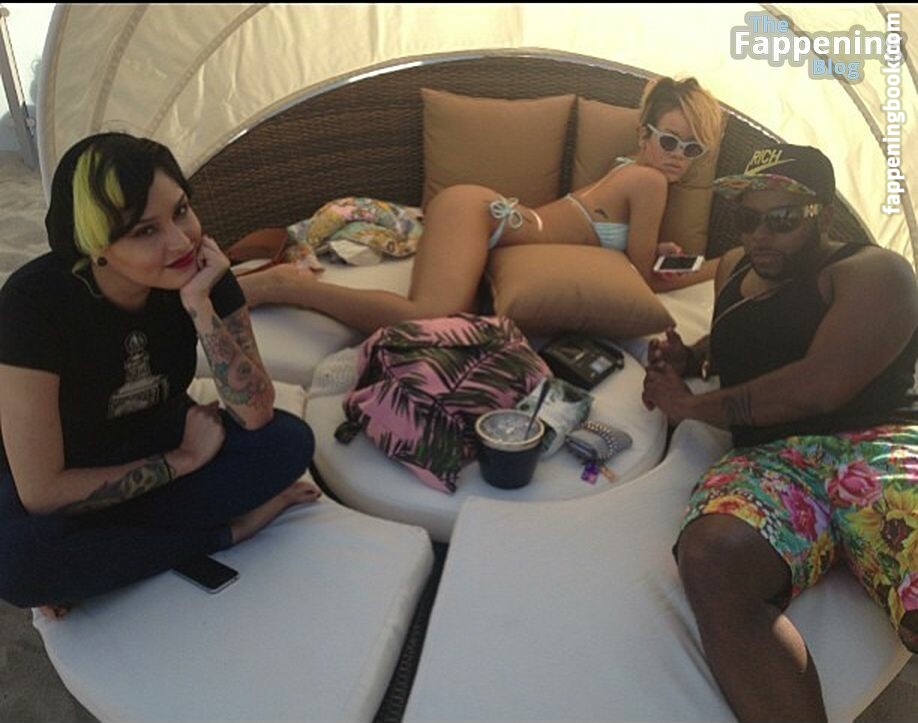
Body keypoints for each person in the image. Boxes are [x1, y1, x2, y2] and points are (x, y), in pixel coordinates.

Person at [642, 143, 917, 720]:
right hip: (769, 459)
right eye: (748, 218)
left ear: (824, 214)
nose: (760, 235)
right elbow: (736, 341)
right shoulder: (734, 268)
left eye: (784, 218)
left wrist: (688, 407)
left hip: (875, 441)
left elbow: (817, 386)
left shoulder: (876, 273)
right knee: (712, 556)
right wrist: (688, 358)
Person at [0, 133, 321, 618]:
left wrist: (200, 305)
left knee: (288, 443)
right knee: (19, 563)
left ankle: (110, 553)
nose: (181, 241)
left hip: (155, 434)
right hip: (65, 466)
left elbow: (256, 414)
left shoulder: (202, 272)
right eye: (145, 231)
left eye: (181, 210)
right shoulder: (35, 304)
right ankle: (227, 531)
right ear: (96, 245)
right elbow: (43, 492)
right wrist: (184, 460)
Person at [237, 77, 724, 334]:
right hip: (478, 214)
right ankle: (288, 286)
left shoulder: (630, 169)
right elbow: (644, 280)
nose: (678, 157)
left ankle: (289, 287)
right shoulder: (648, 181)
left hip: (484, 215)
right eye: (669, 140)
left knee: (455, 319)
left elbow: (627, 252)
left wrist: (656, 249)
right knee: (429, 315)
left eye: (692, 149)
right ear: (643, 135)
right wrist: (716, 267)